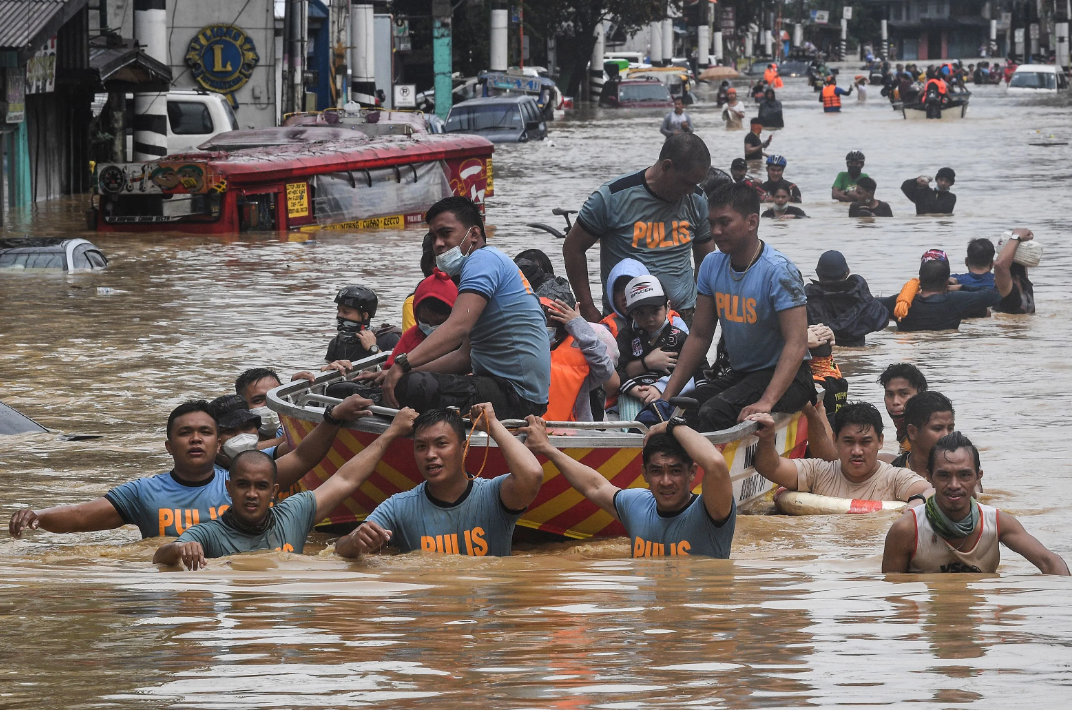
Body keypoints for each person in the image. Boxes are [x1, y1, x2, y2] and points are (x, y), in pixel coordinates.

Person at [7, 396, 371, 540]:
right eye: (185, 433)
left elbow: (305, 459)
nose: (195, 439)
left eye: (204, 433)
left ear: (218, 443)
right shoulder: (143, 492)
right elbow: (82, 516)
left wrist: (332, 416)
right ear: (169, 446)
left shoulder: (245, 483)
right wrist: (37, 515)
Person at [153, 406, 416, 568]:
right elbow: (159, 557)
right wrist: (176, 550)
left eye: (261, 486)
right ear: (229, 488)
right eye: (243, 485)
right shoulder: (208, 534)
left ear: (274, 491)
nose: (252, 494)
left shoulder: (294, 513)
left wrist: (391, 433)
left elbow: (345, 479)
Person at [656, 181, 814, 432]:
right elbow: (699, 336)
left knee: (713, 413)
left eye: (725, 222)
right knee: (685, 408)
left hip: (791, 378)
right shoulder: (711, 265)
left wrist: (767, 401)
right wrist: (665, 398)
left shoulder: (779, 271)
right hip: (742, 374)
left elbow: (797, 343)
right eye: (711, 223)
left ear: (752, 222)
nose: (716, 231)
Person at [379, 197, 551, 419]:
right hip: (505, 390)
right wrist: (398, 372)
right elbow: (464, 357)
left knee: (413, 386)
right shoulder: (477, 269)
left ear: (474, 235)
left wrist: (402, 365)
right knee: (401, 381)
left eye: (446, 233)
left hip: (517, 396)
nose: (438, 243)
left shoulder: (482, 260)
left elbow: (458, 327)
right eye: (434, 237)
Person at [335, 404, 544, 557]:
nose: (430, 455)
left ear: (464, 448)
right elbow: (339, 549)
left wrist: (494, 425)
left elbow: (532, 475)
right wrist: (355, 542)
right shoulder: (399, 506)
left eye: (441, 443)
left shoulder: (494, 495)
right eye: (421, 447)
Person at [522, 416, 736, 558]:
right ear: (644, 474)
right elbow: (594, 486)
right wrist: (547, 449)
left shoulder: (711, 510)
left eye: (675, 471)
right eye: (656, 471)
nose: (666, 481)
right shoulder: (637, 505)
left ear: (692, 472)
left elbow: (716, 464)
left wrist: (672, 425)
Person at [563, 133, 714, 326]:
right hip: (627, 320)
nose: (691, 191)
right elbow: (572, 248)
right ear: (666, 166)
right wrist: (587, 307)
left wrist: (702, 307)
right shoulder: (611, 197)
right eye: (687, 183)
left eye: (696, 184)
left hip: (682, 317)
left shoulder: (698, 201)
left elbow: (707, 259)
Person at [882, 432, 1070, 575]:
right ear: (929, 476)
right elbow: (893, 594)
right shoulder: (906, 529)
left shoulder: (998, 523)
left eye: (964, 475)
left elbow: (1050, 563)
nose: (954, 485)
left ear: (977, 477)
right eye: (944, 475)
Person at [750, 401, 932, 502]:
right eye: (848, 441)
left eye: (866, 442)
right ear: (835, 440)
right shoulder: (818, 472)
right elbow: (770, 468)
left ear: (881, 442)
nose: (857, 451)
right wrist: (767, 438)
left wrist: (915, 505)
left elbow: (930, 491)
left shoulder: (895, 478)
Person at [614, 276, 706, 418]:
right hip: (634, 393)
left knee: (680, 423)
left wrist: (702, 397)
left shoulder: (679, 336)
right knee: (633, 428)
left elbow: (700, 368)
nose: (649, 318)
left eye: (655, 310)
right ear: (631, 314)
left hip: (673, 392)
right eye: (640, 313)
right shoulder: (625, 337)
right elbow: (616, 370)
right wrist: (636, 390)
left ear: (668, 307)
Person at [883, 249, 1011, 331]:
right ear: (947, 281)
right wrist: (961, 287)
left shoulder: (900, 302)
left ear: (920, 279)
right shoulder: (956, 300)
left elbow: (870, 304)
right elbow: (996, 294)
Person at [542, 294, 614, 422]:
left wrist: (577, 324)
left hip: (575, 434)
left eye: (549, 322)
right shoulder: (521, 354)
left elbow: (605, 369)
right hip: (532, 431)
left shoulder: (581, 354)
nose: (543, 327)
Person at [804, 250, 890, 347]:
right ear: (847, 272)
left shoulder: (807, 298)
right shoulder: (862, 297)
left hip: (823, 356)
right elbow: (882, 320)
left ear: (817, 273)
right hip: (859, 356)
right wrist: (869, 299)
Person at [385, 269, 458, 368]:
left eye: (439, 322)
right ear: (416, 316)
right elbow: (389, 369)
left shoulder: (464, 340)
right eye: (424, 321)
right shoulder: (410, 337)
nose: (431, 327)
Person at [324, 285, 401, 367]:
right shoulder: (336, 343)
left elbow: (396, 371)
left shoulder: (388, 339)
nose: (339, 315)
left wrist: (373, 349)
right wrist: (329, 368)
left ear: (365, 316)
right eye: (338, 310)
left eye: (346, 312)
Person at [893, 391, 955, 479]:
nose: (946, 435)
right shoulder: (892, 475)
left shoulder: (962, 470)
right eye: (937, 428)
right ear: (912, 432)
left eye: (950, 428)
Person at [878, 363, 928, 461]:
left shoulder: (924, 434)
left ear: (920, 395)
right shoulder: (905, 432)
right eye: (890, 394)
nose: (895, 402)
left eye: (903, 394)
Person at [235, 367, 286, 451]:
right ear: (242, 407)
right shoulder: (232, 438)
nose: (268, 405)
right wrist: (284, 440)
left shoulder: (286, 429)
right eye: (258, 400)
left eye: (275, 398)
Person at [992, 229, 1037, 315]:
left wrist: (1017, 237)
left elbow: (1000, 265)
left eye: (997, 275)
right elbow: (1001, 265)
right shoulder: (1022, 290)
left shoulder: (1015, 293)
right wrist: (1018, 239)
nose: (995, 278)